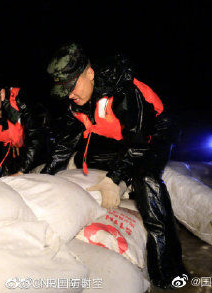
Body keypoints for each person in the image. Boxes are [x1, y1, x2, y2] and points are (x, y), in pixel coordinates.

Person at [41, 43, 186, 288]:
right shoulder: (77, 102)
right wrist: (45, 178)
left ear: (89, 72)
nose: (70, 95)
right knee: (96, 161)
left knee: (146, 178)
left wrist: (114, 178)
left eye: (72, 87)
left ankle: (169, 270)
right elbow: (64, 146)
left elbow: (138, 142)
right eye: (63, 90)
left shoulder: (124, 91)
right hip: (120, 138)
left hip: (153, 133)